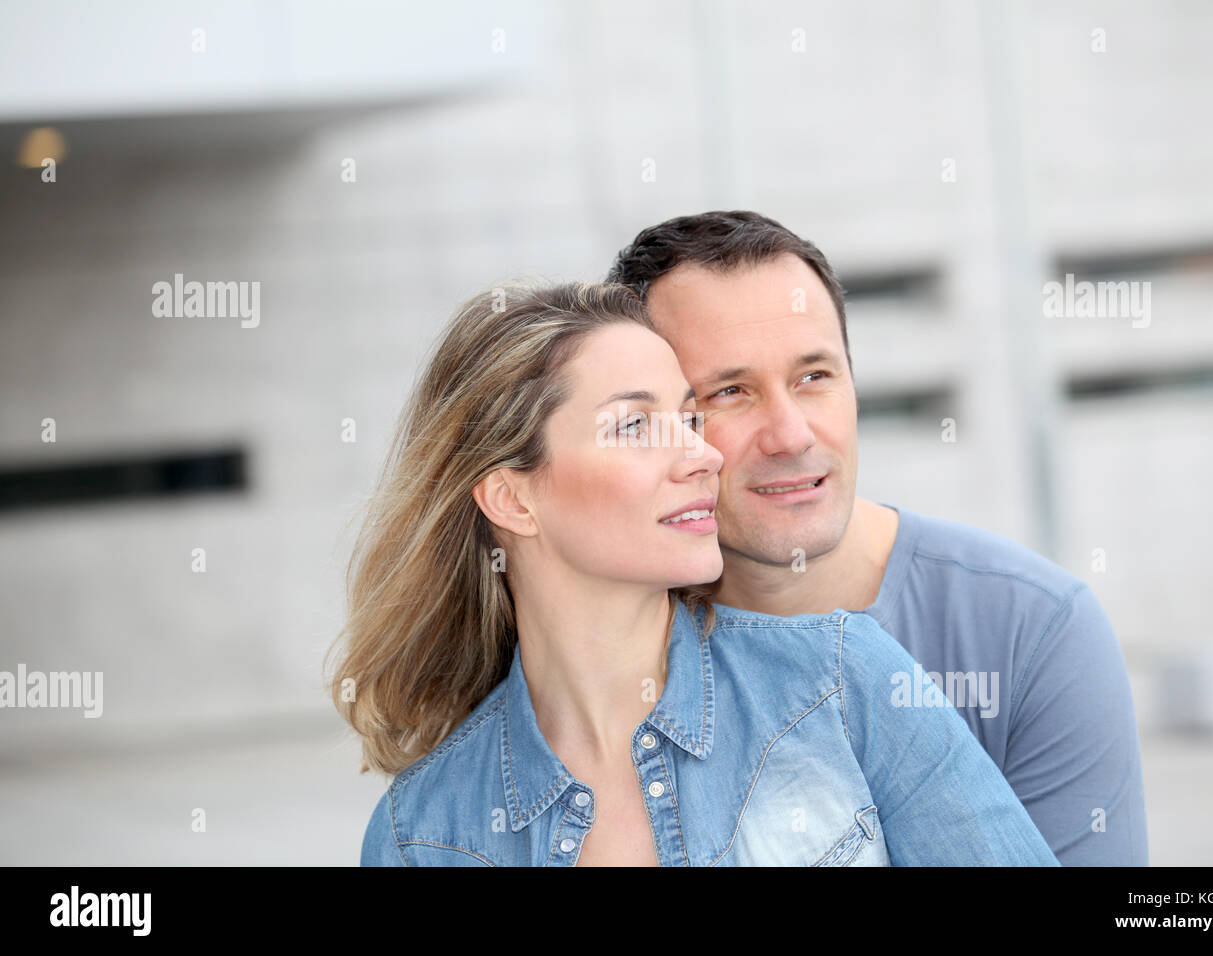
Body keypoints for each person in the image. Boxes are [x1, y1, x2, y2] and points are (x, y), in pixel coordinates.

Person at [331, 281, 1058, 866]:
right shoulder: (421, 835)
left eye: (689, 419)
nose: (703, 457)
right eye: (636, 426)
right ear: (512, 497)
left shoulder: (841, 686)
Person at [606, 210, 1149, 866]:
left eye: (814, 377)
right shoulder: (604, 641)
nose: (792, 435)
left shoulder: (1028, 627)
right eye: (730, 392)